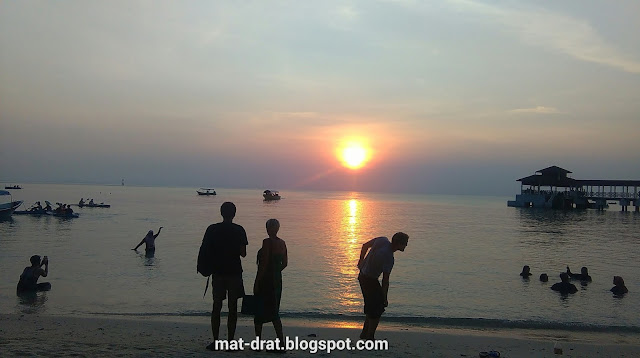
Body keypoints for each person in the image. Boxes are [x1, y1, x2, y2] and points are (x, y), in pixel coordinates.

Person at [198, 202, 248, 351]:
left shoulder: (212, 229)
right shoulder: (239, 230)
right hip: (234, 273)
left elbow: (206, 249)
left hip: (218, 272)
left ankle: (216, 341)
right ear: (234, 214)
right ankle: (231, 342)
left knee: (216, 307)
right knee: (233, 309)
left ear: (221, 213)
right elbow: (243, 253)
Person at [357, 232, 409, 340]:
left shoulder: (382, 240)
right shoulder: (389, 257)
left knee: (372, 307)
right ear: (399, 243)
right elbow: (385, 280)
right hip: (369, 280)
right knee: (378, 309)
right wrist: (384, 298)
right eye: (405, 243)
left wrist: (361, 261)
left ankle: (364, 334)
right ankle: (370, 336)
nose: (406, 245)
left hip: (362, 276)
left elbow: (365, 246)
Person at [253, 219, 288, 351]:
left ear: (268, 228)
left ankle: (258, 343)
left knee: (259, 311)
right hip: (277, 280)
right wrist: (276, 271)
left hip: (266, 280)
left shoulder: (267, 242)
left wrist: (257, 281)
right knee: (274, 312)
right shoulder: (283, 243)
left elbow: (263, 264)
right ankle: (281, 342)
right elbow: (285, 263)